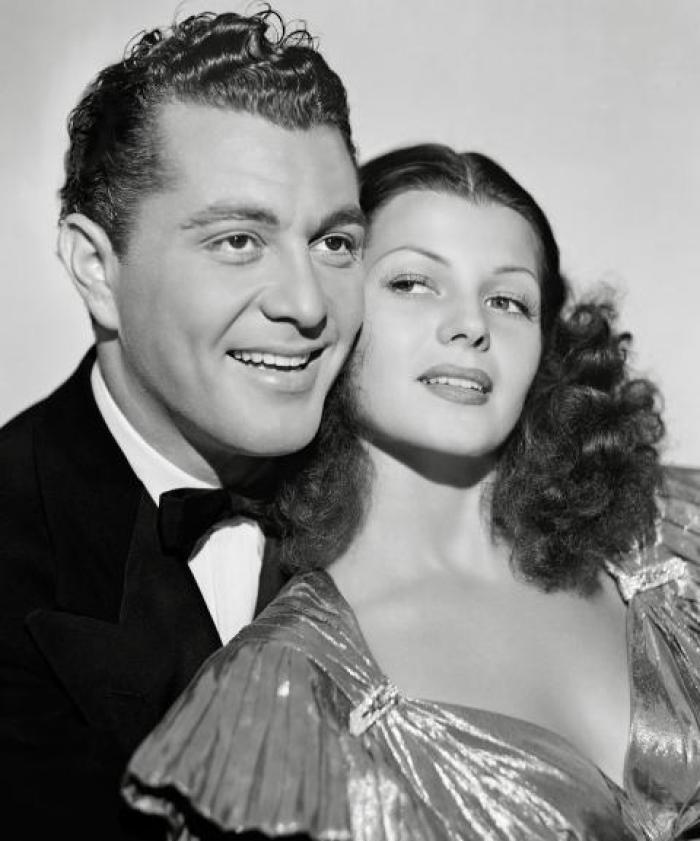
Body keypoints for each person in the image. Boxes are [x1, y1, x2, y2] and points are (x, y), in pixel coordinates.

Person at [124, 144, 700, 841]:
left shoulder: (676, 534)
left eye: (507, 300)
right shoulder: (280, 694)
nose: (470, 324)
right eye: (413, 283)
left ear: (545, 349)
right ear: (331, 314)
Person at [0, 9, 365, 841]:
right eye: (238, 240)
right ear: (97, 268)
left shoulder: (409, 488)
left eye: (335, 243)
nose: (307, 304)